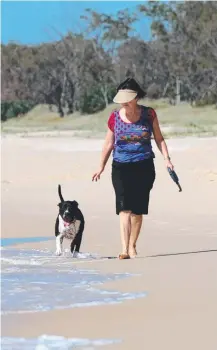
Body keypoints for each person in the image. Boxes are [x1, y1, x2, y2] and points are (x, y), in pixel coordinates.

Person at [92, 77, 174, 259]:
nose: (123, 104)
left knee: (137, 210)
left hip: (144, 166)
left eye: (126, 100)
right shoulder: (114, 117)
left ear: (135, 97)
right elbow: (108, 144)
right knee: (124, 208)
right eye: (121, 101)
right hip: (120, 166)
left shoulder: (149, 114)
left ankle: (132, 245)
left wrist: (167, 159)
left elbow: (159, 139)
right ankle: (123, 249)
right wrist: (101, 166)